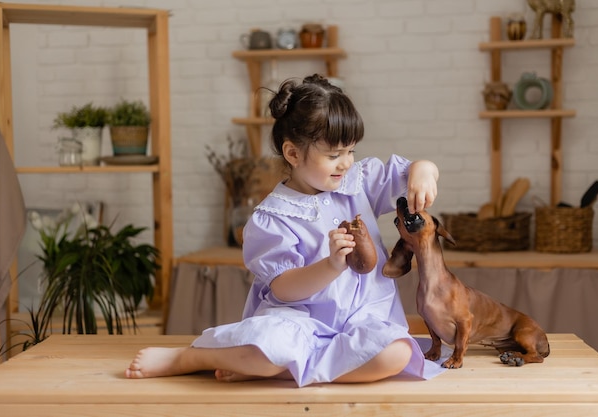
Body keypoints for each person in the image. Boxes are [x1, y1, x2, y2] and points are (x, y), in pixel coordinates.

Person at [125, 74, 442, 387]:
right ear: (292, 154)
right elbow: (283, 289)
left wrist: (424, 172)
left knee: (397, 353)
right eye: (334, 155)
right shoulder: (272, 217)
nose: (346, 163)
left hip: (363, 322)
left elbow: (412, 168)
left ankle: (281, 370)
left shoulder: (358, 182)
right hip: (299, 324)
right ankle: (190, 358)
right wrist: (331, 265)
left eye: (351, 151)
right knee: (268, 348)